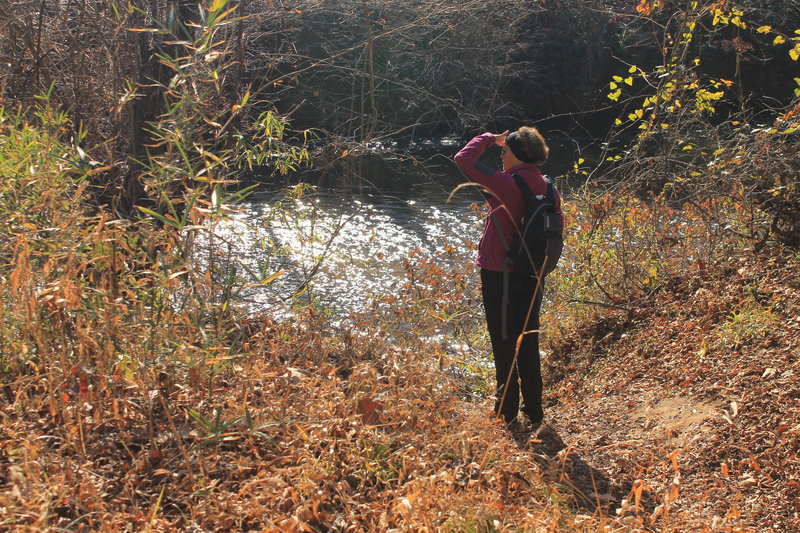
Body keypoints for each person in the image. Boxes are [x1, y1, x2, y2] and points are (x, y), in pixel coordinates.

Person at [453, 126, 562, 428]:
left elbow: (463, 159)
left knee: (504, 340)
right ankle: (535, 411)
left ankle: (506, 414)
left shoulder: (505, 184)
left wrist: (489, 138)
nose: (501, 156)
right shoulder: (549, 188)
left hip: (500, 273)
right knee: (527, 338)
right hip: (534, 274)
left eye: (505, 151)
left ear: (518, 154)